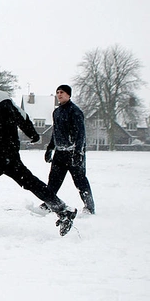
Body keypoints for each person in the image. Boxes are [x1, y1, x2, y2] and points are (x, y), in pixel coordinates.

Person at [0, 70, 77, 236]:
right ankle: (63, 210)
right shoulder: (3, 95)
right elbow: (22, 116)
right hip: (9, 152)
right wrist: (33, 133)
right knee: (30, 182)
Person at [42, 84, 95, 214]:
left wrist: (78, 152)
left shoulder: (75, 111)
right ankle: (49, 203)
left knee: (80, 181)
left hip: (73, 152)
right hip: (60, 152)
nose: (59, 94)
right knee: (53, 181)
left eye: (62, 92)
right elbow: (55, 132)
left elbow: (80, 133)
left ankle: (89, 206)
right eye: (58, 92)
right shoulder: (56, 112)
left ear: (69, 95)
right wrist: (50, 148)